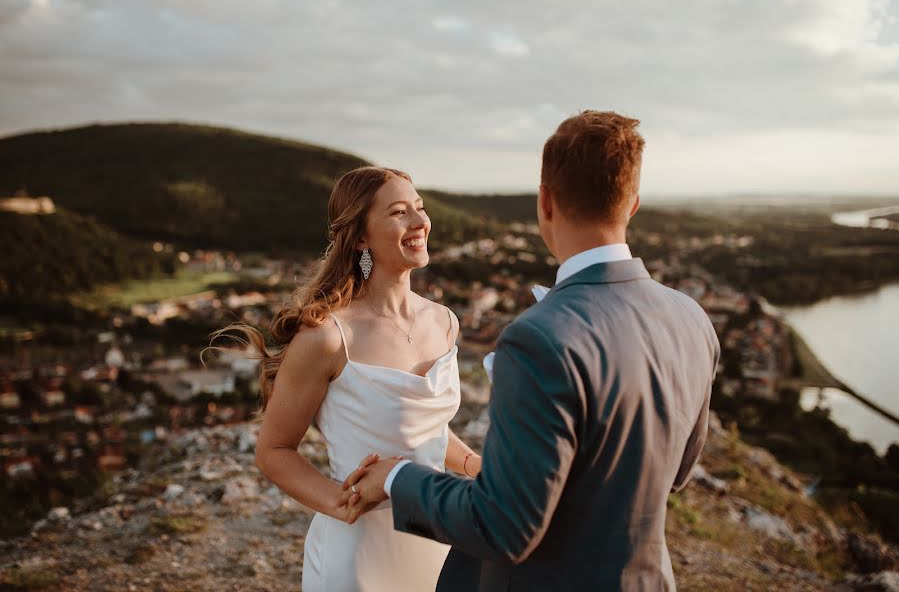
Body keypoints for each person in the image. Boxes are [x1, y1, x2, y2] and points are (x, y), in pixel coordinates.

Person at [341, 111, 721, 591]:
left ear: (545, 202)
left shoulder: (540, 337)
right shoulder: (691, 318)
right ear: (633, 205)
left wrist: (398, 479)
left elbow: (504, 528)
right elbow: (674, 473)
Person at [209, 166, 481, 591]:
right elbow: (274, 450)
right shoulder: (327, 337)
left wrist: (473, 465)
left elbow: (422, 428)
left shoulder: (444, 321)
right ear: (360, 237)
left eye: (420, 208)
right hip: (361, 556)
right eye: (398, 212)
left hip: (436, 540)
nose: (419, 221)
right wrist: (343, 503)